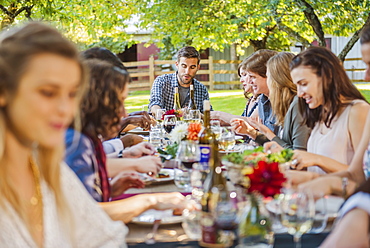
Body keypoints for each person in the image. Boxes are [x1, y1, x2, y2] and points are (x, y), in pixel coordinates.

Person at [0, 22, 126, 247]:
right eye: (48, 93)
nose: (66, 110)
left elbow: (106, 238)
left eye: (72, 94)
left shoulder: (52, 174)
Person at [65, 59, 186, 222]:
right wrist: (152, 200)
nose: (124, 113)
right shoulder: (75, 142)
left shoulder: (85, 138)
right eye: (119, 102)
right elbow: (84, 216)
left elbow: (83, 196)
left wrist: (111, 189)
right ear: (98, 103)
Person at [286, 26, 370, 197]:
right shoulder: (319, 114)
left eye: (303, 83)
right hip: (320, 204)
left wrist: (315, 161)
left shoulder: (358, 111)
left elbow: (361, 177)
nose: (300, 94)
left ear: (327, 77)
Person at [231, 52, 311, 150]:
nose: (249, 82)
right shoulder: (275, 101)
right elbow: (277, 144)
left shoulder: (298, 104)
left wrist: (267, 133)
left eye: (268, 76)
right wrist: (251, 132)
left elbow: (297, 155)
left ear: (278, 79)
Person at [149, 46, 211, 114]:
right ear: (177, 64)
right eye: (184, 66)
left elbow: (208, 113)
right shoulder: (161, 81)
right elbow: (154, 104)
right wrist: (162, 114)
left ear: (198, 67)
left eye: (192, 67)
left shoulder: (201, 89)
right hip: (165, 123)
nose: (187, 72)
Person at [210, 55, 260, 125]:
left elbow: (252, 123)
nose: (241, 80)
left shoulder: (263, 100)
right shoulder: (251, 100)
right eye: (241, 76)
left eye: (245, 75)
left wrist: (218, 114)